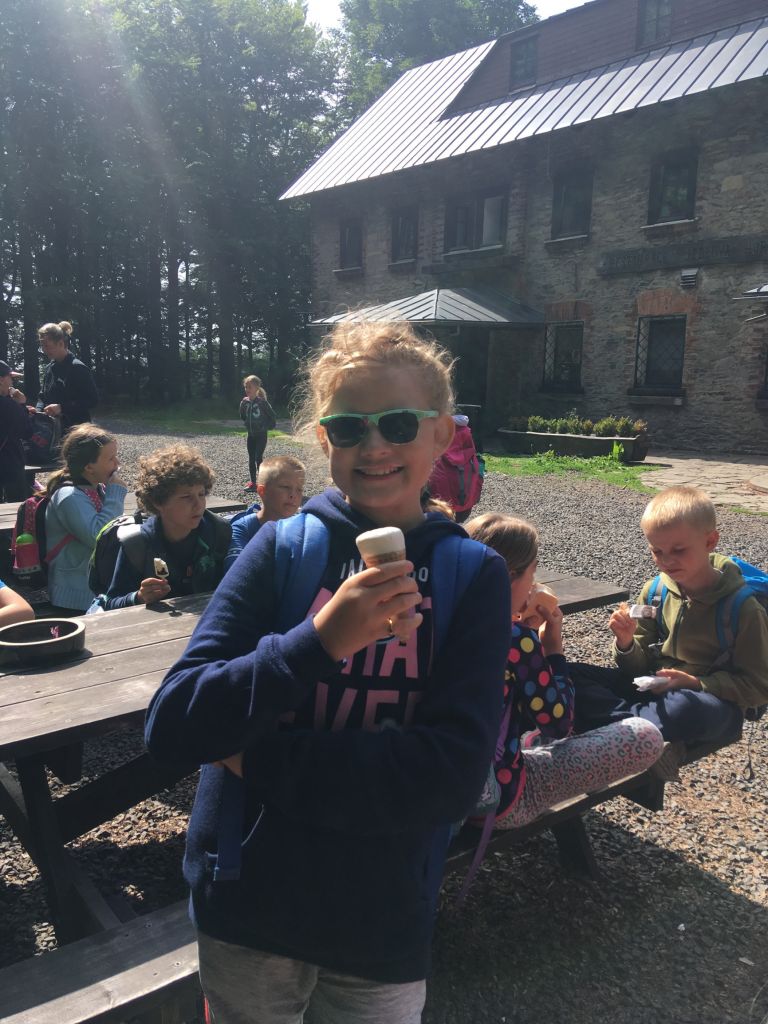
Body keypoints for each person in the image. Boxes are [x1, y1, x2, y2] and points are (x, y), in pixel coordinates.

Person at [144, 321, 511, 1024]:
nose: (373, 446)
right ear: (323, 440)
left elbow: (451, 778)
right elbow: (175, 723)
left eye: (398, 424)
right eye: (348, 428)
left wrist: (254, 756)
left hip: (382, 917)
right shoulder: (281, 548)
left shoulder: (473, 574)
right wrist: (317, 643)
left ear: (442, 434)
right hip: (248, 906)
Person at [464, 513, 663, 829]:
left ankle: (531, 741)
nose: (534, 585)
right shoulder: (515, 639)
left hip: (443, 789)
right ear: (509, 578)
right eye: (532, 573)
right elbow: (559, 723)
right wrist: (552, 649)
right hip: (498, 800)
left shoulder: (440, 619)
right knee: (645, 736)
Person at [569, 486, 768, 777]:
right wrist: (626, 644)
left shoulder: (743, 609)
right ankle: (641, 735)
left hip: (705, 700)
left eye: (679, 550)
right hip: (652, 689)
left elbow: (758, 688)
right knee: (565, 674)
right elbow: (636, 668)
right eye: (656, 551)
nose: (666, 561)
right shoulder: (655, 591)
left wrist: (695, 683)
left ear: (710, 541)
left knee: (686, 709)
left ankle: (616, 730)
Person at [102, 444, 230, 610]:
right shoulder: (137, 544)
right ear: (158, 502)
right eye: (186, 497)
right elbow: (111, 603)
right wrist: (138, 597)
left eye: (201, 494)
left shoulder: (219, 531)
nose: (198, 505)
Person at [45, 424, 127, 614]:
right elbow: (97, 536)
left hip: (91, 590)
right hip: (73, 596)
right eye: (111, 458)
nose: (117, 463)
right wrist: (115, 495)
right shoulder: (69, 496)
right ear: (89, 467)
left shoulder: (96, 489)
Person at [224, 455, 305, 570]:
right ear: (262, 491)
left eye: (299, 489)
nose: (293, 495)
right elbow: (235, 572)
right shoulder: (244, 529)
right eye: (285, 487)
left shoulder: (304, 529)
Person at [37, 321, 98, 433]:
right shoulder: (49, 368)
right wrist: (37, 411)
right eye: (42, 346)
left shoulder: (77, 368)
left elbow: (92, 400)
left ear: (61, 343)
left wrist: (62, 408)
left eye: (47, 346)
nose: (44, 350)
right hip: (54, 431)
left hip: (77, 431)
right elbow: (42, 396)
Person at [0, 360, 33, 501]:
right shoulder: (9, 406)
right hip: (9, 463)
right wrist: (22, 406)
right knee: (17, 504)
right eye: (10, 377)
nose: (12, 382)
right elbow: (27, 432)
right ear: (1, 380)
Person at [239, 374, 277, 491]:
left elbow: (272, 416)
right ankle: (253, 483)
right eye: (246, 387)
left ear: (256, 388)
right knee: (251, 459)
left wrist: (266, 426)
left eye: (250, 387)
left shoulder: (262, 403)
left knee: (258, 458)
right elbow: (243, 415)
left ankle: (262, 483)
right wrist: (248, 423)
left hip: (261, 435)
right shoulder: (244, 402)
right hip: (251, 435)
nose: (247, 389)